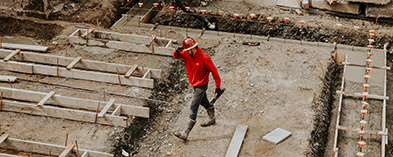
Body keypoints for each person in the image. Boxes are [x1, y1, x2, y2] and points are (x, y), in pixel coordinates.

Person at [173, 37, 223, 140]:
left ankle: (185, 132)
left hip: (201, 86)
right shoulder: (187, 54)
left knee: (194, 106)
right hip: (194, 84)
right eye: (185, 50)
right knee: (203, 102)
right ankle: (212, 119)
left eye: (188, 50)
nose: (186, 52)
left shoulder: (205, 58)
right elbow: (176, 56)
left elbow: (215, 73)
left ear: (194, 48)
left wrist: (218, 88)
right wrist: (176, 51)